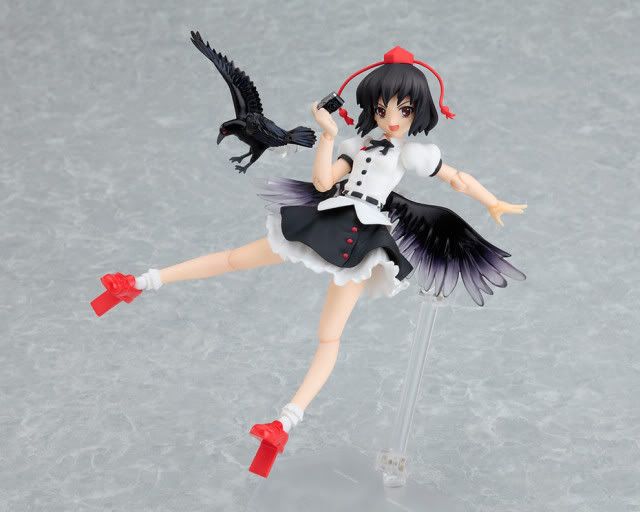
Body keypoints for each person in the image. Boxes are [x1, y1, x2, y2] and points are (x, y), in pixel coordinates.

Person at [92, 46, 527, 478]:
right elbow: (322, 182)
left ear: (420, 111)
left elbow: (456, 179)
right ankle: (140, 283)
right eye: (382, 109)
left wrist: (492, 201)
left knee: (328, 336)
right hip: (326, 218)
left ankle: (284, 423)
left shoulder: (411, 154)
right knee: (235, 259)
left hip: (359, 240)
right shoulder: (357, 145)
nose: (392, 118)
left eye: (405, 109)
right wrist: (327, 134)